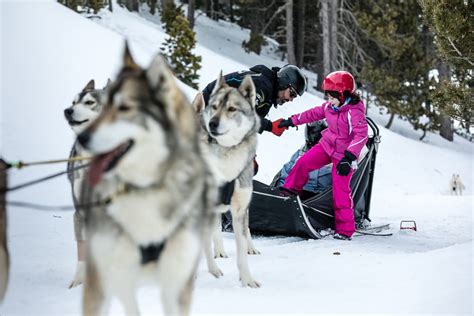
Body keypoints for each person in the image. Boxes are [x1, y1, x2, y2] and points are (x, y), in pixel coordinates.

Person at [275, 71, 368, 240]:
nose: (329, 100)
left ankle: (345, 231)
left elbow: (361, 135)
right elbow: (311, 114)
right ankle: (288, 192)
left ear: (343, 94)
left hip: (343, 156)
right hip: (326, 146)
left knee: (340, 191)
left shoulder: (354, 111)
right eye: (328, 96)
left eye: (332, 97)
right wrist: (290, 121)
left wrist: (348, 157)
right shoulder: (330, 107)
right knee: (303, 162)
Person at [202, 64, 307, 136]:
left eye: (294, 97)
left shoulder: (268, 90)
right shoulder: (262, 86)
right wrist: (270, 126)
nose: (290, 99)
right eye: (292, 93)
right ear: (284, 82)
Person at [274, 121, 332, 198]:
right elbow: (285, 173)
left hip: (317, 199)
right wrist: (279, 191)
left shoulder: (335, 155)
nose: (313, 137)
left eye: (315, 135)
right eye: (311, 134)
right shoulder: (301, 152)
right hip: (294, 194)